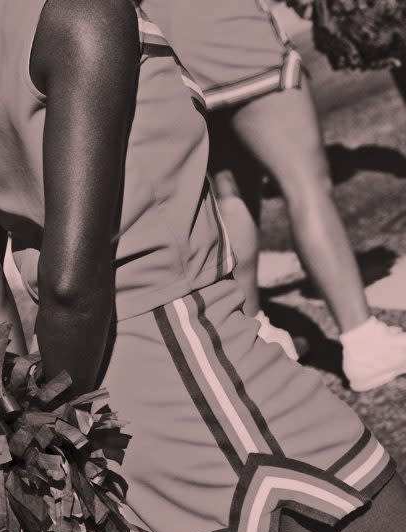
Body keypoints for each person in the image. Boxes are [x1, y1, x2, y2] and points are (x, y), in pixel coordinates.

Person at [0, 0, 406, 532]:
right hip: (192, 368)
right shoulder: (80, 9)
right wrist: (60, 445)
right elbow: (76, 282)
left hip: (100, 399)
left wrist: (26, 437)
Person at [140, 0, 406, 391]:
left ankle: (259, 340)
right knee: (307, 186)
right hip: (230, 29)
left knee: (231, 192)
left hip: (171, 48)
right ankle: (363, 339)